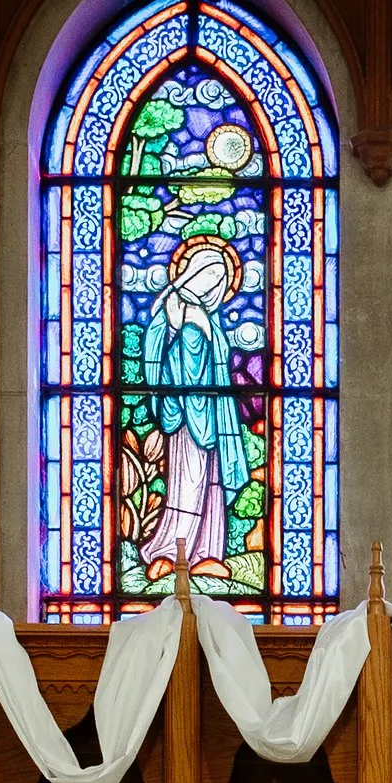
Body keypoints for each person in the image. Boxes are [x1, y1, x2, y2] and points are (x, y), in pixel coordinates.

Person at [138, 234, 258, 578]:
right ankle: (169, 551)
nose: (215, 283)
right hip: (184, 412)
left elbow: (217, 360)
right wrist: (175, 328)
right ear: (192, 271)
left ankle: (208, 551)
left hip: (213, 412)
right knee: (186, 482)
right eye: (210, 274)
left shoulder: (211, 316)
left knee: (212, 484)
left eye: (221, 278)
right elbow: (155, 351)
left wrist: (203, 330)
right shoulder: (172, 305)